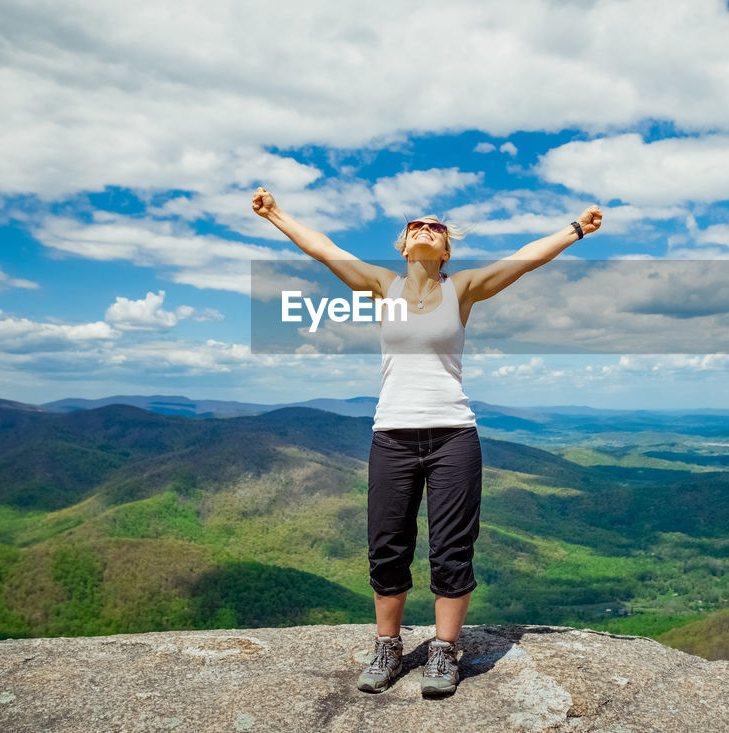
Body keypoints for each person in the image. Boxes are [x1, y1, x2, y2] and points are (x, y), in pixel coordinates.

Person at [251, 186, 602, 696]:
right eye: (417, 224)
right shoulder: (382, 287)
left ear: (447, 250)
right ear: (402, 246)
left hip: (453, 437)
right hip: (391, 435)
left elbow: (524, 260)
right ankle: (388, 647)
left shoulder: (462, 289)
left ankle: (443, 650)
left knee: (452, 548)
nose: (425, 227)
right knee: (387, 547)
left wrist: (575, 230)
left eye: (436, 227)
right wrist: (275, 214)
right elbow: (324, 249)